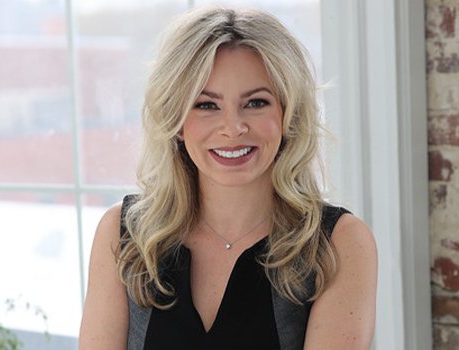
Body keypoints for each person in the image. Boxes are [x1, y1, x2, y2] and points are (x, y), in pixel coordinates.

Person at [79, 6, 377, 350]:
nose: (233, 128)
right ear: (177, 121)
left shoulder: (337, 243)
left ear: (288, 113)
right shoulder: (123, 235)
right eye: (207, 105)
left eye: (256, 103)